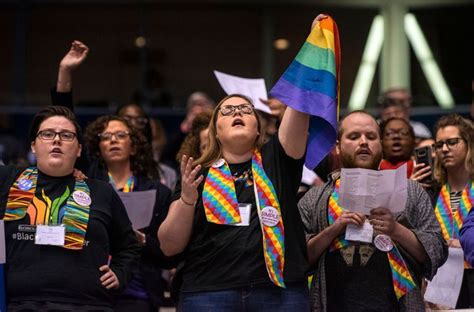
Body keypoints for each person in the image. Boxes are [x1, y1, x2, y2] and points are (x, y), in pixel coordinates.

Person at [158, 91, 311, 310]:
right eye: (226, 111)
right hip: (208, 293)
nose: (237, 112)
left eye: (246, 109)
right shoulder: (196, 175)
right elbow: (169, 246)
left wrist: (302, 82)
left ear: (258, 129)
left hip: (277, 292)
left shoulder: (277, 158)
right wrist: (187, 200)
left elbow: (301, 102)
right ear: (216, 132)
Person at [298, 110, 447, 311]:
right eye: (353, 136)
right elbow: (297, 259)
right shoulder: (314, 198)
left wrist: (396, 230)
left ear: (381, 145)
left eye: (371, 136)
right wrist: (334, 230)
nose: (363, 142)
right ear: (338, 148)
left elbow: (437, 250)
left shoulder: (410, 191)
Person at [0, 106, 140, 311]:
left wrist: (120, 272)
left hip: (89, 305)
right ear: (33, 146)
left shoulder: (101, 192)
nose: (56, 140)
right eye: (47, 134)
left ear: (79, 149)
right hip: (22, 304)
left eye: (66, 135)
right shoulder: (8, 180)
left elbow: (129, 246)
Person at [84, 115, 174, 311]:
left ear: (133, 147)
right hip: (92, 290)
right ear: (98, 148)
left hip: (139, 293)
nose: (113, 140)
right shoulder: (85, 190)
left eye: (120, 135)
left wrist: (142, 240)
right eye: (106, 136)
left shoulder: (158, 193)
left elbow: (169, 256)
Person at [431, 113, 473, 308]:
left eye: (452, 142)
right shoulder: (432, 192)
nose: (445, 149)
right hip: (442, 282)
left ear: (469, 143)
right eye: (439, 145)